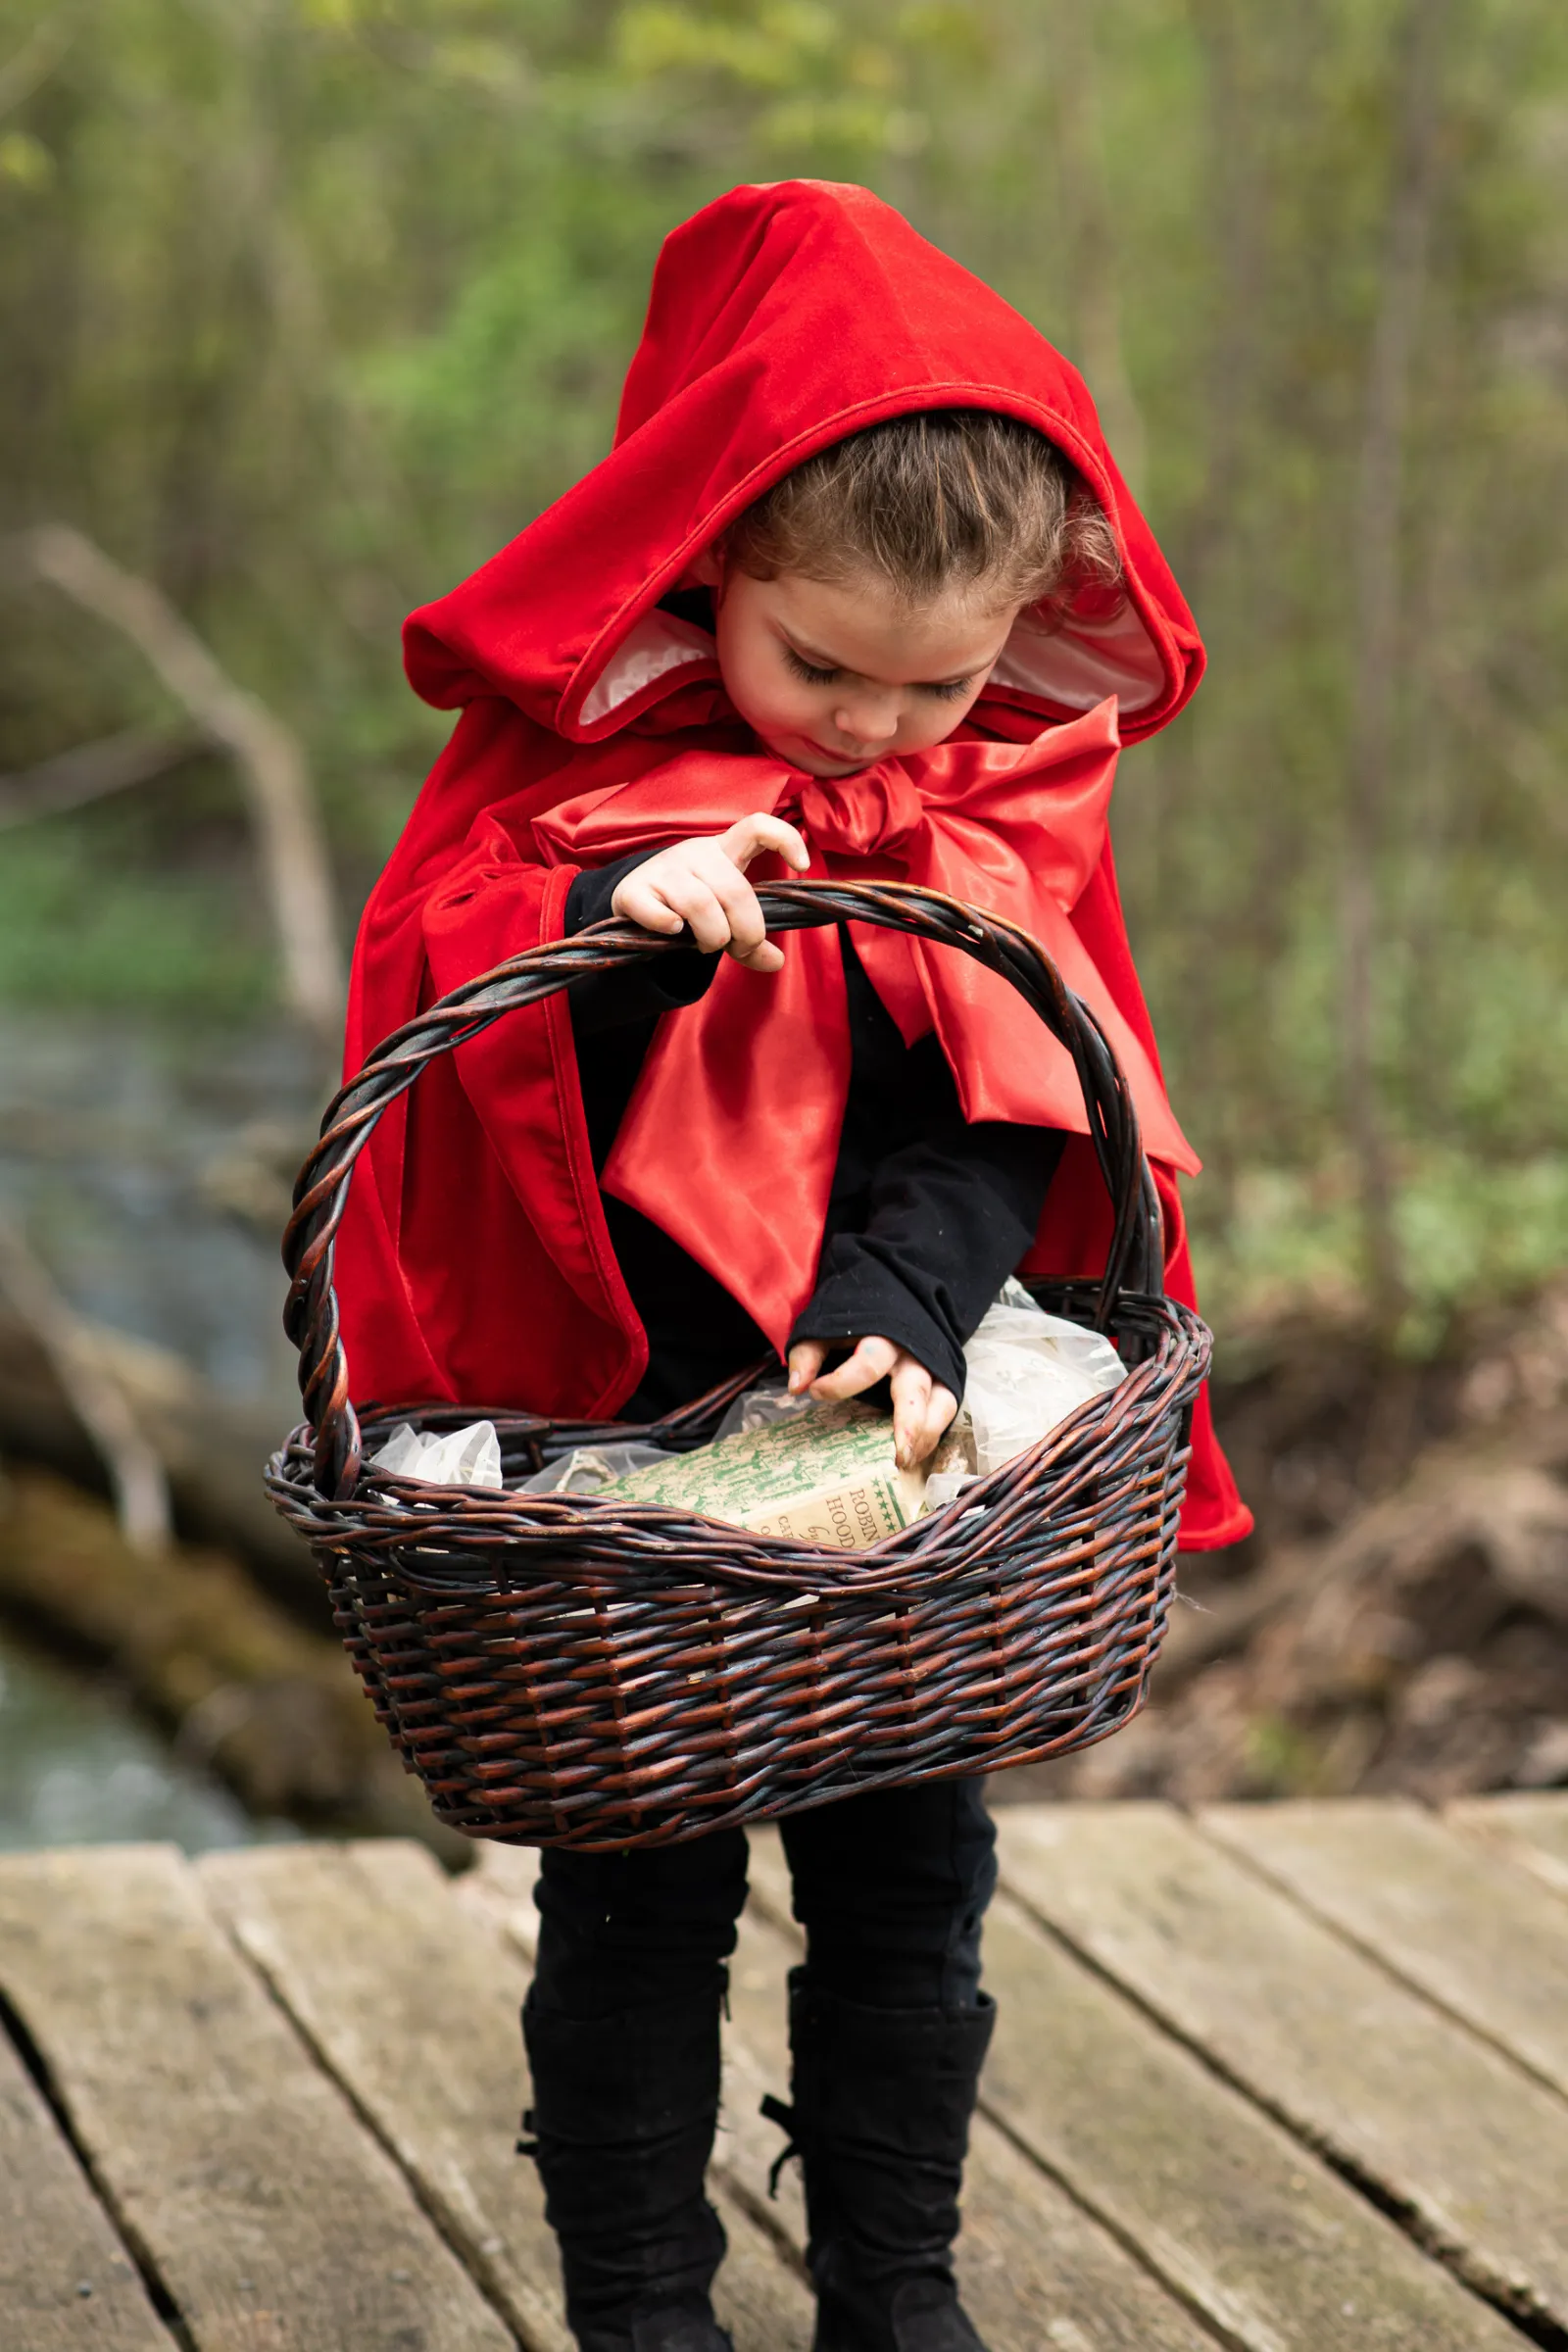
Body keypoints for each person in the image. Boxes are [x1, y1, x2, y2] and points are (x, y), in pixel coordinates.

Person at [336, 181, 1250, 2352]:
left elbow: (998, 1105)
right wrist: (630, 934)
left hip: (889, 1449)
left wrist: (908, 1304)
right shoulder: (566, 788)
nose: (862, 726)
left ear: (1016, 632)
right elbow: (482, 1064)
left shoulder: (986, 794)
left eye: (928, 681)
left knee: (909, 1883)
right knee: (635, 1901)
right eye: (812, 663)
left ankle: (892, 2292)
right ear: (707, 565)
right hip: (630, 1449)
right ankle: (644, 2307)